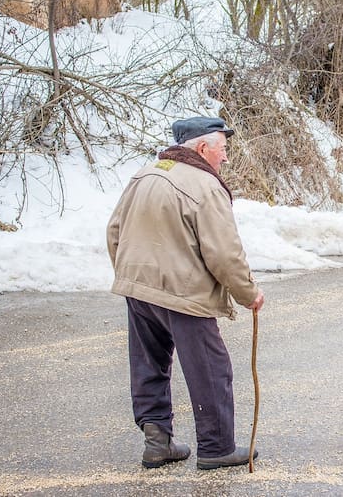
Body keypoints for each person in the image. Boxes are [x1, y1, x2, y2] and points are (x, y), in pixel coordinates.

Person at [107, 116, 265, 470]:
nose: (225, 158)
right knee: (211, 369)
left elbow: (114, 230)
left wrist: (130, 273)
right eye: (223, 149)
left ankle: (157, 442)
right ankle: (217, 448)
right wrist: (247, 292)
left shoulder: (145, 174)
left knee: (149, 365)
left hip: (139, 287)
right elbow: (224, 253)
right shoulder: (205, 186)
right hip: (183, 293)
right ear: (203, 147)